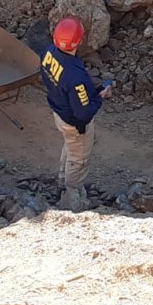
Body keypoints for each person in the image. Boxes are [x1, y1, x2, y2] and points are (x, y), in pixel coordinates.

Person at [40, 17, 112, 210]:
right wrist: (98, 97)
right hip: (74, 122)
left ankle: (63, 182)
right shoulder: (76, 78)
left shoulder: (48, 53)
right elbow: (83, 113)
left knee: (70, 147)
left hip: (59, 111)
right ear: (79, 41)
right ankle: (72, 196)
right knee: (78, 157)